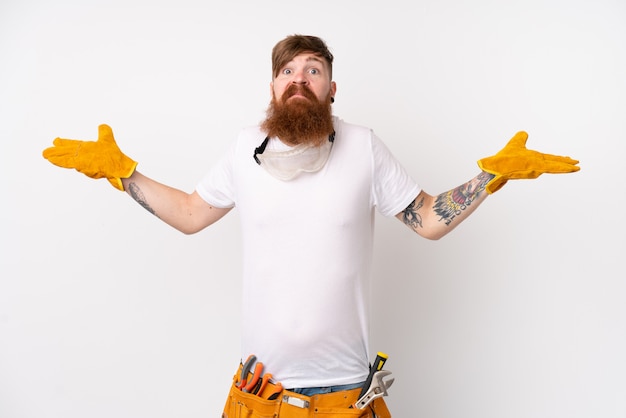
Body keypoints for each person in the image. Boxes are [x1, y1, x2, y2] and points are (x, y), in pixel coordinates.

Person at [42, 34, 579, 417]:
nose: (299, 78)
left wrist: (488, 177)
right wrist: (123, 174)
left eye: (312, 69)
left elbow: (426, 219)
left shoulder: (364, 146)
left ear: (332, 88)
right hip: (263, 394)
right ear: (273, 87)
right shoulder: (241, 151)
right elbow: (189, 213)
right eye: (287, 70)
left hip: (349, 393)